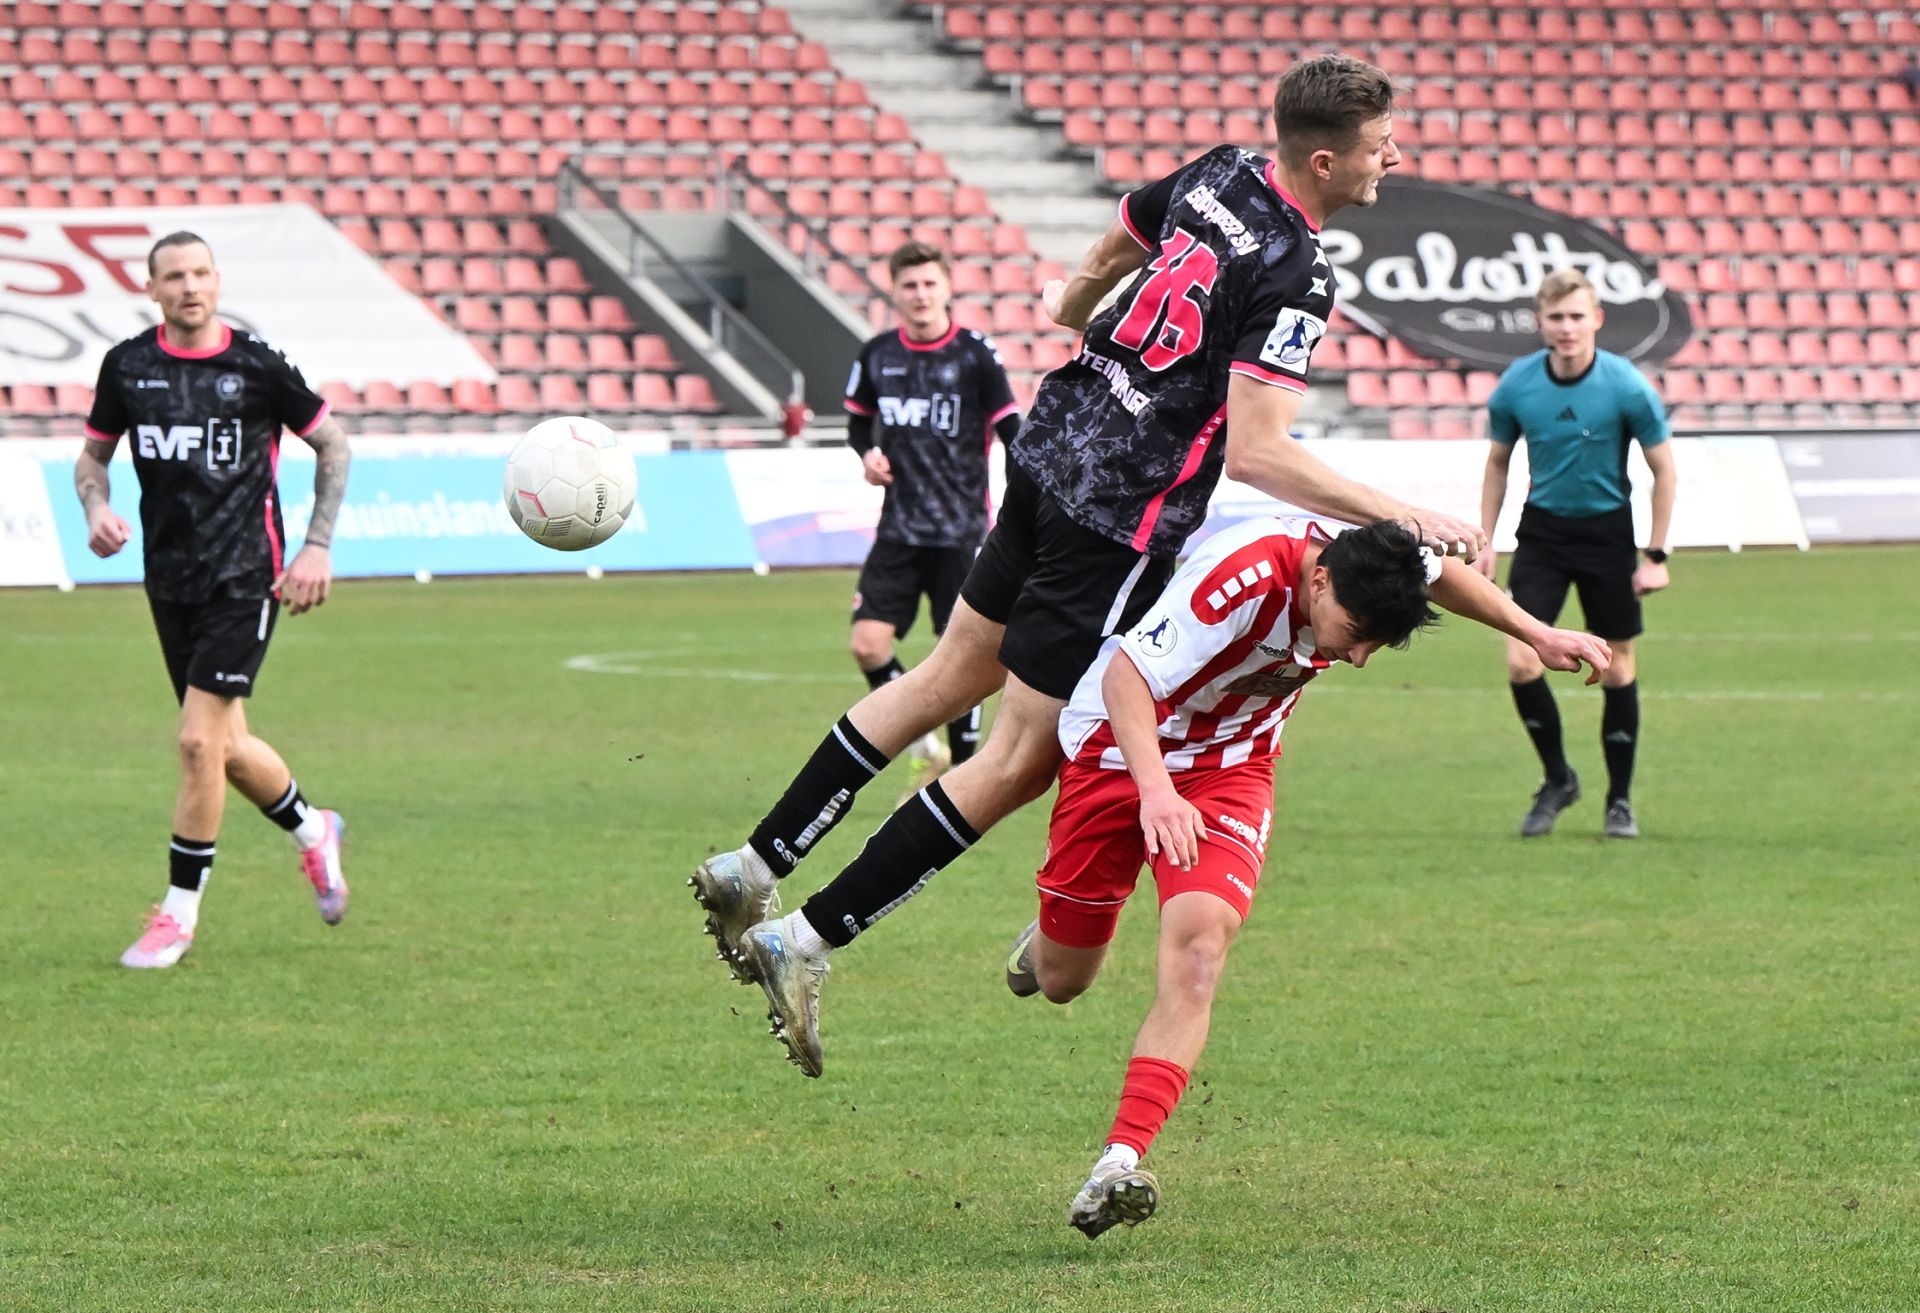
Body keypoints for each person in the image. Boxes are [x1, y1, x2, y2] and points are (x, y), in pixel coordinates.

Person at [691, 54, 1489, 1078]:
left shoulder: (1222, 169)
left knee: (944, 677)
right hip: (1117, 516)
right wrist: (1401, 512)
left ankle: (753, 861)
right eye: (1382, 146)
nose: (1395, 157)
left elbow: (1121, 236)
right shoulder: (1300, 270)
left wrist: (1076, 307)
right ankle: (802, 940)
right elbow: (1258, 452)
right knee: (1019, 756)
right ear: (1327, 161)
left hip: (1051, 449)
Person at [997, 517, 1610, 1237]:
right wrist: (1156, 791)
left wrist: (1535, 632)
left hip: (1231, 766)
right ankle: (1047, 943)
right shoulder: (1241, 578)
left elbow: (1439, 572)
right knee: (1064, 979)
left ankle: (1117, 1162)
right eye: (1355, 632)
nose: (1358, 657)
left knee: (1200, 949)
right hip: (1119, 747)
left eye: (1377, 643)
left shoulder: (1371, 561)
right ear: (1319, 581)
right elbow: (1124, 677)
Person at [74, 231, 354, 969]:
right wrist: (95, 507)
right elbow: (92, 458)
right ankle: (315, 830)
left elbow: (334, 445)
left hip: (246, 576)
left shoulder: (256, 365)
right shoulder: (128, 366)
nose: (190, 286)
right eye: (174, 276)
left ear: (217, 280)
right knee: (225, 749)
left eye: (200, 272)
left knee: (197, 742)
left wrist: (317, 545)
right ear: (152, 288)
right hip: (169, 581)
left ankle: (177, 914)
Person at [1473, 268, 1676, 839]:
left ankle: (1619, 800)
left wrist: (1656, 555)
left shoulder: (1626, 385)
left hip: (1608, 536)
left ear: (1597, 320)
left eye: (1577, 317)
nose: (1567, 328)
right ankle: (1559, 778)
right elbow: (1497, 462)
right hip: (1543, 536)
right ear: (1540, 322)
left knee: (1617, 668)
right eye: (1556, 318)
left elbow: (1664, 470)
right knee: (1521, 659)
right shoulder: (1517, 385)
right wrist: (1486, 538)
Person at [844, 241, 1021, 793]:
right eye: (910, 285)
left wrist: (1020, 510)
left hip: (962, 533)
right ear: (894, 293)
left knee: (963, 660)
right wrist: (866, 455)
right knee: (868, 644)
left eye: (929, 284)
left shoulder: (974, 355)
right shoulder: (876, 355)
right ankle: (926, 747)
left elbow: (1012, 432)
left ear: (947, 288)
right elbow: (857, 423)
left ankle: (961, 777)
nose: (920, 295)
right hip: (898, 530)